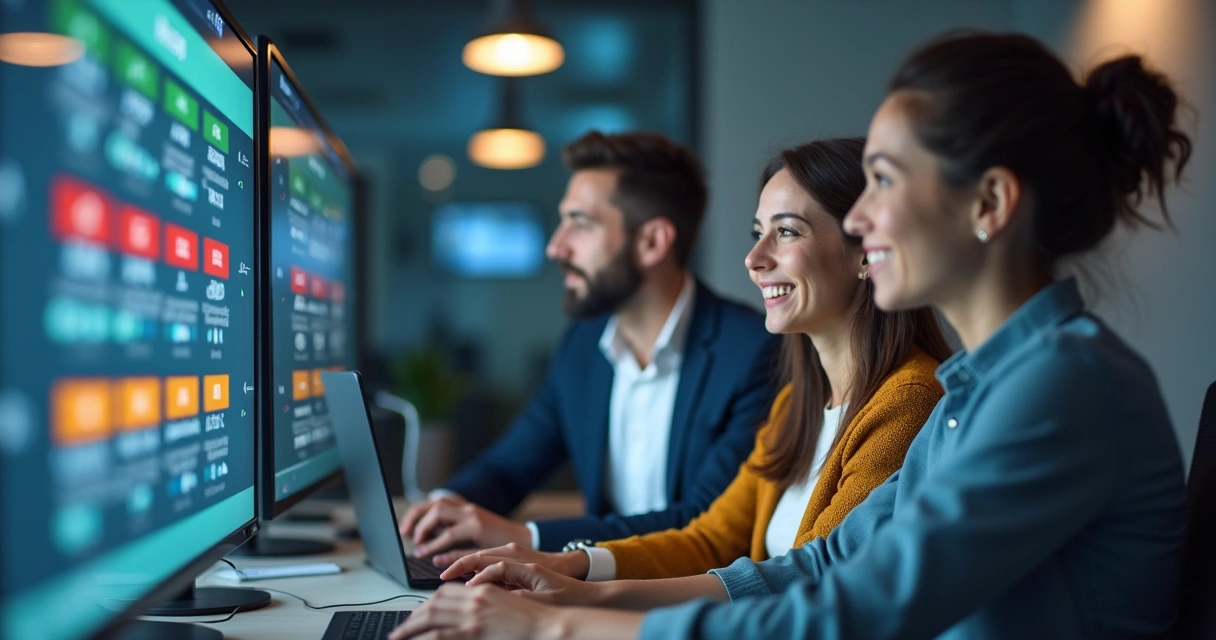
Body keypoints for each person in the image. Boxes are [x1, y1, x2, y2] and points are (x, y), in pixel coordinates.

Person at [391, 31, 1192, 640]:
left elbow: (855, 612)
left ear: (988, 205)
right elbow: (822, 565)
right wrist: (576, 590)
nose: (861, 218)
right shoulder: (976, 392)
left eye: (884, 180)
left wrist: (558, 626)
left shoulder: (1060, 384)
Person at [439, 138, 952, 584]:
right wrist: (566, 565)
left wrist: (572, 595)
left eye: (787, 231)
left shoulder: (903, 399)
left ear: (866, 250)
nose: (754, 259)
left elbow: (812, 588)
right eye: (757, 233)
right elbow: (712, 539)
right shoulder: (799, 403)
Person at [399, 131, 780, 563]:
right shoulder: (582, 345)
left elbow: (702, 523)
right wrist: (444, 506)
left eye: (579, 223)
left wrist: (526, 537)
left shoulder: (753, 354)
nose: (555, 246)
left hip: (691, 592)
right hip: (592, 586)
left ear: (652, 242)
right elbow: (509, 466)